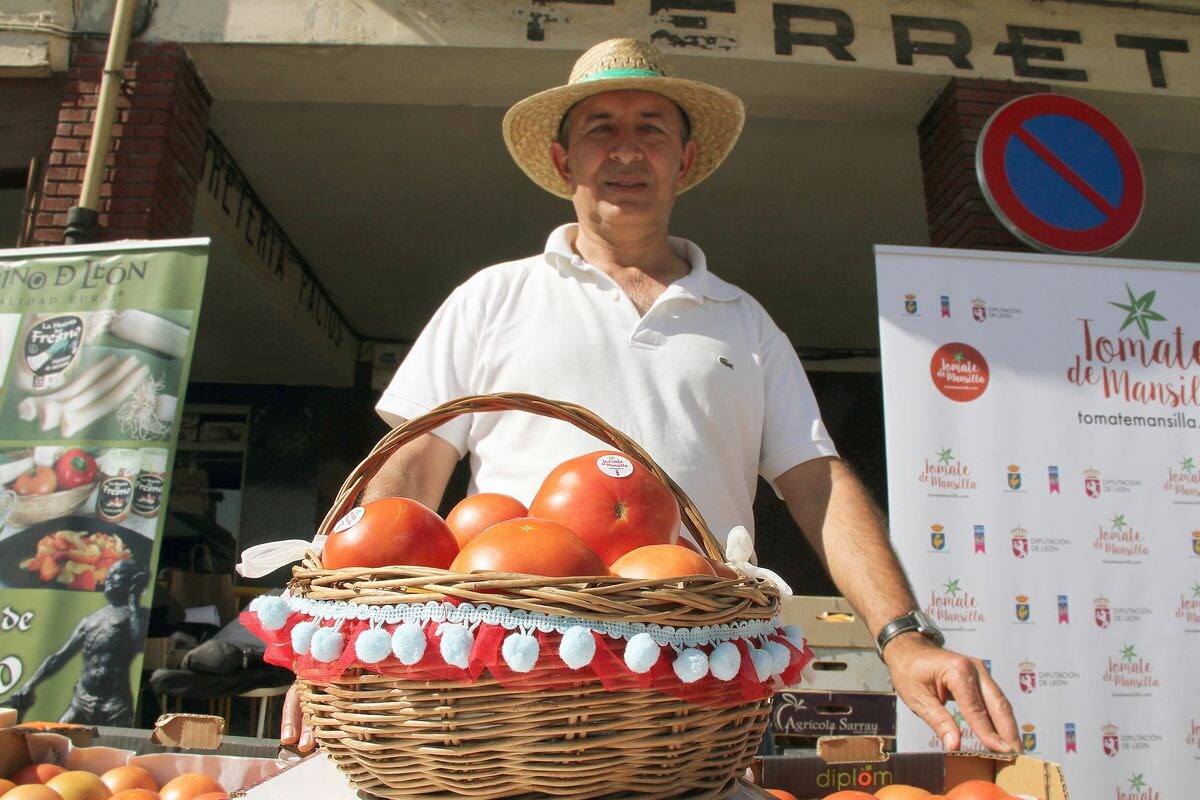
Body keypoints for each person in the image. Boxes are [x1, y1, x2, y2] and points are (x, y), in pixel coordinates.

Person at [282, 37, 1020, 755]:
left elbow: (816, 483)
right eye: (601, 127)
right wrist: (343, 638)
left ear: (685, 160)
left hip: (701, 681)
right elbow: (406, 486)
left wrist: (902, 635)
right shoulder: (492, 298)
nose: (627, 149)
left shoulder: (744, 322)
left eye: (652, 129)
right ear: (563, 159)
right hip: (508, 679)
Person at [8, 559, 150, 726]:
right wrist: (30, 684)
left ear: (133, 580)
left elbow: (139, 642)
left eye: (118, 574)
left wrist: (133, 597)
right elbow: (59, 656)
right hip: (82, 699)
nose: (110, 579)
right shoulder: (90, 620)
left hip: (114, 704)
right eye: (109, 575)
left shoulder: (138, 615)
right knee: (54, 740)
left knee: (114, 746)